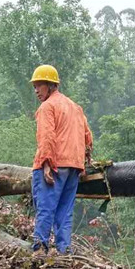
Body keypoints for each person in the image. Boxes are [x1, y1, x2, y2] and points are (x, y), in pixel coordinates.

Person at [31, 64, 93, 254]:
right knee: (65, 212)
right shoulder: (75, 107)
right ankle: (64, 251)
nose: (36, 90)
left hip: (55, 164)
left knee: (45, 207)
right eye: (34, 87)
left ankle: (40, 250)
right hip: (74, 166)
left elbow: (46, 137)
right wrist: (86, 160)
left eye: (39, 86)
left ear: (50, 85)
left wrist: (46, 164)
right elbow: (88, 137)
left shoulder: (47, 107)